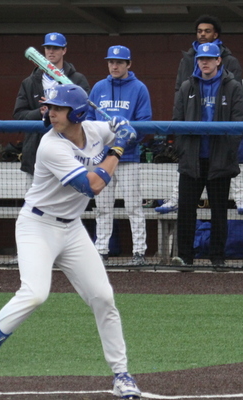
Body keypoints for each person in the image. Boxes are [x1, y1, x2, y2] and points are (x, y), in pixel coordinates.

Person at [0, 84, 142, 399]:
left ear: (78, 113)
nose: (50, 112)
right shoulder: (50, 146)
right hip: (37, 226)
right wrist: (119, 148)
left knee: (103, 297)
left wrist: (122, 124)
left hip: (72, 229)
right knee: (35, 293)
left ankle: (121, 374)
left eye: (58, 108)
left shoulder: (94, 129)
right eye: (49, 107)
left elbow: (116, 127)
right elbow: (93, 185)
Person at [158, 14, 243, 216]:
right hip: (192, 143)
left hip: (221, 141)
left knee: (220, 209)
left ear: (216, 34)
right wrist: (180, 144)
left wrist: (230, 146)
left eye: (207, 31)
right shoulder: (187, 59)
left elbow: (237, 98)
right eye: (199, 31)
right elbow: (178, 93)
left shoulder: (230, 61)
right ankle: (175, 200)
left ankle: (241, 198)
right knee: (187, 206)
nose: (202, 34)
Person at [171, 42, 243, 269]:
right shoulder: (187, 86)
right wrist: (184, 151)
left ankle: (217, 258)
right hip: (192, 160)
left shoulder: (232, 86)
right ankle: (185, 257)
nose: (204, 62)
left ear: (218, 61)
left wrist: (227, 152)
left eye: (208, 58)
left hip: (219, 160)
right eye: (200, 59)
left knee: (219, 211)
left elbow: (240, 122)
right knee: (186, 210)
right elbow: (177, 122)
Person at [86, 45, 152, 266]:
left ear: (128, 64)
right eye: (111, 62)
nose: (114, 66)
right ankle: (100, 251)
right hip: (102, 158)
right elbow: (87, 120)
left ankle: (139, 252)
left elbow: (144, 123)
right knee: (103, 207)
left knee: (133, 207)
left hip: (128, 157)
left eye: (119, 62)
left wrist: (126, 134)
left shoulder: (139, 88)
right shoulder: (98, 87)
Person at [14, 32, 90, 187]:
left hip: (69, 149)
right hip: (37, 149)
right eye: (48, 47)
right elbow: (19, 115)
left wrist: (60, 111)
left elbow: (86, 112)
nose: (51, 51)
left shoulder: (77, 80)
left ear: (64, 50)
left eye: (56, 48)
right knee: (35, 203)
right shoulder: (29, 82)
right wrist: (40, 112)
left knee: (67, 204)